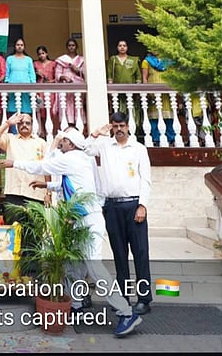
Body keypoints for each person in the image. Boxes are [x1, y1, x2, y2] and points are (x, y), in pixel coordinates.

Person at [0, 127, 143, 337]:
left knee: (94, 269)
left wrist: (14, 163)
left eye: (63, 141)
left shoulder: (73, 157)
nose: (61, 144)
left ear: (71, 144)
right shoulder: (78, 159)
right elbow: (72, 184)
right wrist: (48, 185)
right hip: (80, 220)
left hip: (88, 221)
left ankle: (126, 312)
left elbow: (42, 164)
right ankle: (75, 305)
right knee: (72, 267)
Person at [85, 111, 153, 316]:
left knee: (140, 252)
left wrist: (143, 205)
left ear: (128, 126)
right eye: (115, 126)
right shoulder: (105, 146)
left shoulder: (139, 149)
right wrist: (98, 132)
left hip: (134, 206)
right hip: (112, 207)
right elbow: (85, 148)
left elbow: (146, 179)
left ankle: (144, 299)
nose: (119, 129)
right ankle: (123, 297)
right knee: (119, 254)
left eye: (122, 125)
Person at [141, 52, 176, 146]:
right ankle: (156, 139)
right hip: (153, 91)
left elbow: (173, 75)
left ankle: (170, 138)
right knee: (154, 116)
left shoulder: (167, 61)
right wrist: (147, 91)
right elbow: (144, 77)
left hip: (167, 91)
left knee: (168, 115)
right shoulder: (146, 61)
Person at [106, 40, 142, 126]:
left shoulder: (132, 60)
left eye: (124, 45)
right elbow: (110, 74)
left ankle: (133, 129)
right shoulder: (113, 59)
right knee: (119, 111)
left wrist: (138, 90)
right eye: (120, 45)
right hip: (117, 91)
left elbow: (138, 76)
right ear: (117, 47)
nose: (122, 47)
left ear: (127, 47)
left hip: (131, 91)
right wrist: (110, 89)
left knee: (132, 111)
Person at [54, 38, 86, 130]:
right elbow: (57, 74)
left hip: (78, 87)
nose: (71, 47)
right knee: (66, 107)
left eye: (73, 45)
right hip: (65, 87)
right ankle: (67, 127)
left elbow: (86, 74)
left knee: (78, 106)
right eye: (69, 45)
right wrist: (64, 77)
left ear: (76, 47)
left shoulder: (82, 60)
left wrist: (77, 70)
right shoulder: (62, 60)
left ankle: (78, 127)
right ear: (67, 47)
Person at [5, 38, 36, 121]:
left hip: (26, 90)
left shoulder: (28, 59)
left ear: (24, 47)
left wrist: (33, 88)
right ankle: (14, 132)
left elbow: (32, 75)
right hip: (12, 89)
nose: (19, 47)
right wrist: (7, 87)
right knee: (13, 112)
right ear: (15, 46)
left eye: (21, 45)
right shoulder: (9, 59)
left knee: (25, 112)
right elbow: (7, 74)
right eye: (18, 45)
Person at [33, 45, 56, 139]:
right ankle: (42, 132)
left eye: (43, 53)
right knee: (41, 111)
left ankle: (52, 132)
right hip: (40, 91)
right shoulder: (35, 64)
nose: (41, 55)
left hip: (50, 92)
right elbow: (32, 77)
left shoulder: (53, 64)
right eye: (39, 54)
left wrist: (50, 81)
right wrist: (37, 74)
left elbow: (57, 78)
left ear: (47, 53)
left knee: (50, 111)